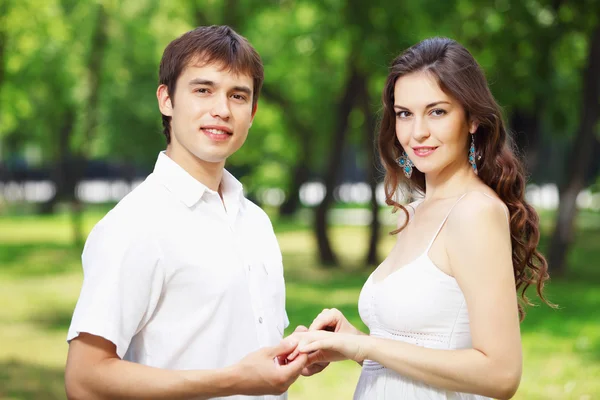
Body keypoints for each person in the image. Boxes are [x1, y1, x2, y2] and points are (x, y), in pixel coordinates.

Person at [287, 37, 553, 400]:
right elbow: (418, 366)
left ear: (473, 118)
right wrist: (352, 343)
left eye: (437, 111)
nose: (417, 133)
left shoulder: (475, 212)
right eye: (404, 113)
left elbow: (501, 374)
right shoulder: (416, 211)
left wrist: (368, 349)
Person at [64, 25, 308, 400]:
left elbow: (237, 345)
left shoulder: (255, 220)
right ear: (166, 99)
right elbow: (84, 380)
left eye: (238, 95)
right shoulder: (134, 225)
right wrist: (234, 379)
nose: (222, 109)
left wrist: (294, 353)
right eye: (203, 90)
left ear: (253, 111)